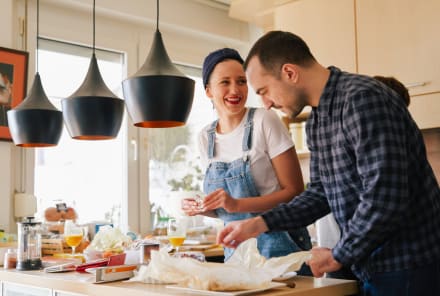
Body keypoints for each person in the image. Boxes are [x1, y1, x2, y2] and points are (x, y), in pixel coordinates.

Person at [217, 31, 440, 296]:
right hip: (371, 265)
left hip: (408, 265)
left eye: (264, 91)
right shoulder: (318, 120)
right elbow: (320, 193)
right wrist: (260, 223)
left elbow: (384, 198)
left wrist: (338, 255)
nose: (266, 104)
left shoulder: (363, 99)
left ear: (289, 72)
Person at [181, 48, 312, 266]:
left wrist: (236, 204)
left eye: (241, 81)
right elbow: (228, 211)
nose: (235, 89)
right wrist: (204, 208)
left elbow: (294, 192)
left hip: (281, 247)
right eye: (225, 82)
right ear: (208, 91)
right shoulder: (206, 137)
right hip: (237, 254)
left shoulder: (264, 120)